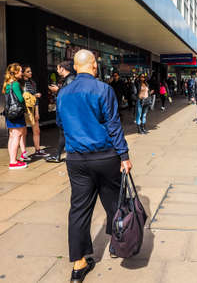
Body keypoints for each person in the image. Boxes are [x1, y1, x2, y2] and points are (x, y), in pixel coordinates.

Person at [57, 50, 132, 283]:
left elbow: (60, 123)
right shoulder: (103, 89)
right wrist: (124, 155)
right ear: (92, 65)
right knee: (113, 203)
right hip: (105, 156)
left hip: (76, 159)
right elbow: (113, 124)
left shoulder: (63, 92)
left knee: (79, 209)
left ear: (76, 67)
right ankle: (115, 244)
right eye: (96, 63)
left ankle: (79, 264)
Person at [46, 61, 76, 163]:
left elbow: (69, 95)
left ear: (62, 69)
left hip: (67, 113)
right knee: (63, 134)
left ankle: (60, 156)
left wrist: (58, 90)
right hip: (65, 112)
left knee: (65, 134)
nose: (57, 70)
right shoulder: (68, 79)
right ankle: (58, 155)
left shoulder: (71, 79)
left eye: (58, 68)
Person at [2, 63, 29, 170]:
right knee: (17, 135)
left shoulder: (7, 83)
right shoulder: (16, 84)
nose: (22, 73)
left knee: (12, 136)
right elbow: (20, 99)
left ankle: (12, 159)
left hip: (9, 113)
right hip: (17, 113)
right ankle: (13, 162)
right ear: (16, 72)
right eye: (21, 71)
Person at [21, 65, 49, 157]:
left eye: (30, 71)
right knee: (23, 132)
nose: (30, 73)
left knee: (36, 130)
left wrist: (37, 112)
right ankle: (23, 152)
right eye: (28, 71)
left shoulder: (32, 82)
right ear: (23, 72)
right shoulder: (20, 83)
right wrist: (34, 96)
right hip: (24, 110)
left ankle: (38, 150)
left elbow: (35, 100)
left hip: (33, 109)